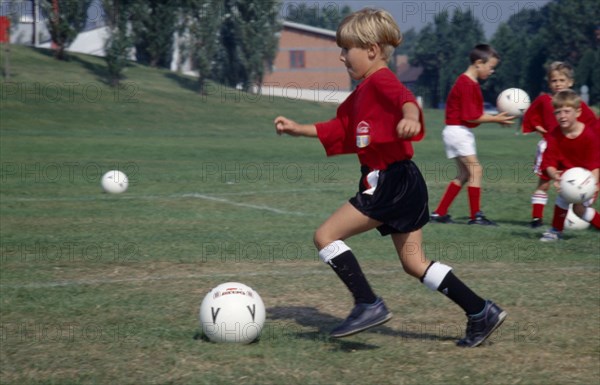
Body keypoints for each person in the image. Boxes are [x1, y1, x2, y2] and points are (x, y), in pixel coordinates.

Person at [273, 8, 506, 347]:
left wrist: (411, 117)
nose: (341, 57)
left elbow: (406, 100)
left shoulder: (381, 80)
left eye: (346, 49)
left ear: (371, 49)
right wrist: (300, 129)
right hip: (406, 181)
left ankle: (368, 303)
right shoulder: (363, 92)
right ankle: (480, 311)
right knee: (414, 263)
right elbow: (340, 128)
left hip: (388, 181)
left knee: (325, 236)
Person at [429, 44, 515, 226]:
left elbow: (471, 118)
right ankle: (476, 216)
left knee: (464, 174)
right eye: (490, 67)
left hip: (455, 131)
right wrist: (496, 118)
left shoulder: (467, 82)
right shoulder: (467, 84)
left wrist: (495, 119)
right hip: (458, 132)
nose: (491, 71)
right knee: (476, 170)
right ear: (478, 63)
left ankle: (439, 213)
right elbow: (471, 116)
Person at [521, 62, 597, 228]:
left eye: (562, 80)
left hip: (572, 150)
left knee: (577, 183)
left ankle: (582, 211)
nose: (558, 84)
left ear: (570, 82)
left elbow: (592, 125)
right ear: (549, 83)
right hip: (552, 148)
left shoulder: (576, 104)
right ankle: (537, 218)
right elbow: (530, 118)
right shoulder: (544, 100)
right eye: (554, 80)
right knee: (545, 183)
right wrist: (543, 132)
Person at [539, 90, 600, 242]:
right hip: (569, 178)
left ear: (578, 112)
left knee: (572, 206)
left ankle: (556, 230)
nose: (562, 116)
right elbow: (549, 163)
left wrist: (593, 185)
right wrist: (556, 177)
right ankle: (556, 231)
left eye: (567, 111)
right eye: (558, 112)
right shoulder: (554, 135)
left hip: (589, 180)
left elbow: (595, 165)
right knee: (571, 205)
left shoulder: (589, 136)